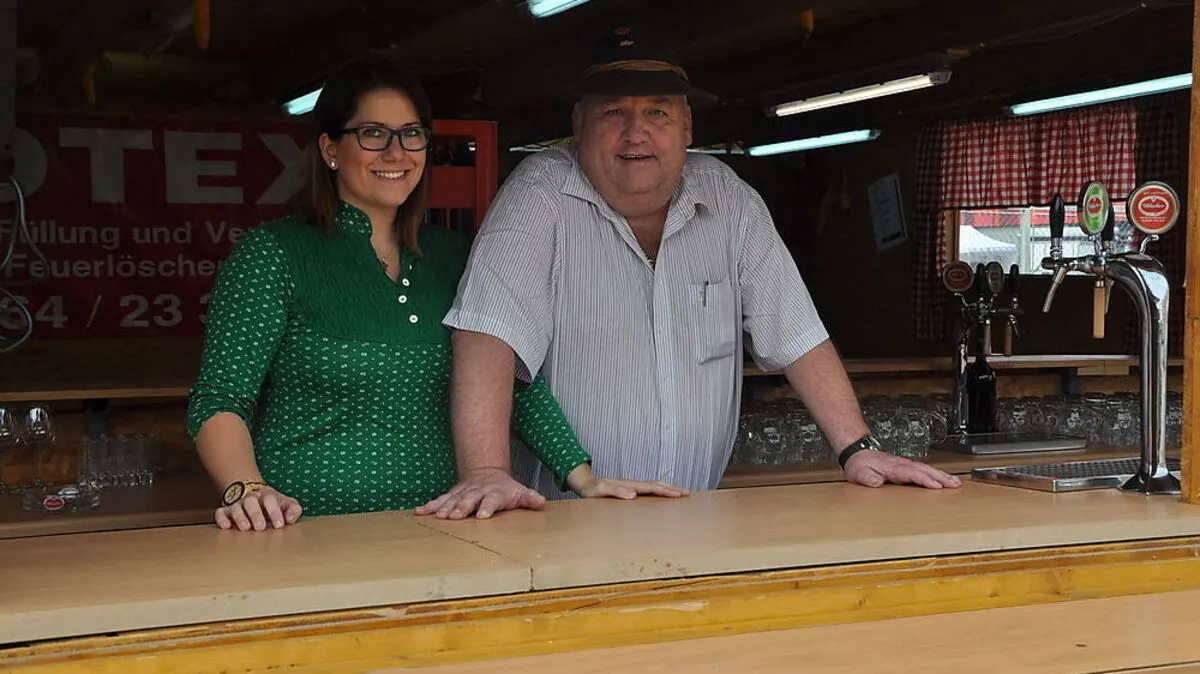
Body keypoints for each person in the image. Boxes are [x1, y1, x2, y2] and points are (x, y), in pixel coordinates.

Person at [417, 26, 961, 520]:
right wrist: (485, 471)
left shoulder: (728, 199)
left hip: (697, 512)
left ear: (686, 125)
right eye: (613, 112)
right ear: (578, 124)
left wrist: (856, 449)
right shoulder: (539, 195)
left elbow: (796, 332)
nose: (636, 133)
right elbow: (487, 333)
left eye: (657, 112)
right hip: (564, 520)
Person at [187, 54, 686, 532]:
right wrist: (246, 490)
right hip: (307, 534)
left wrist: (583, 476)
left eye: (412, 135)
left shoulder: (453, 255)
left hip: (445, 531)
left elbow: (509, 379)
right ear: (330, 149)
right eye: (372, 134)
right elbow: (219, 399)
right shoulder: (273, 254)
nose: (396, 152)